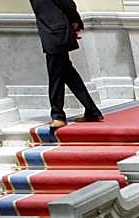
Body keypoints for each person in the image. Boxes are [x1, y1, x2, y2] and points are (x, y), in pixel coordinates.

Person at [30, 0, 104, 130]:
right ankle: (92, 111)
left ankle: (58, 116)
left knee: (55, 75)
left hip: (56, 32)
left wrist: (75, 22)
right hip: (51, 30)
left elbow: (67, 3)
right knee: (69, 75)